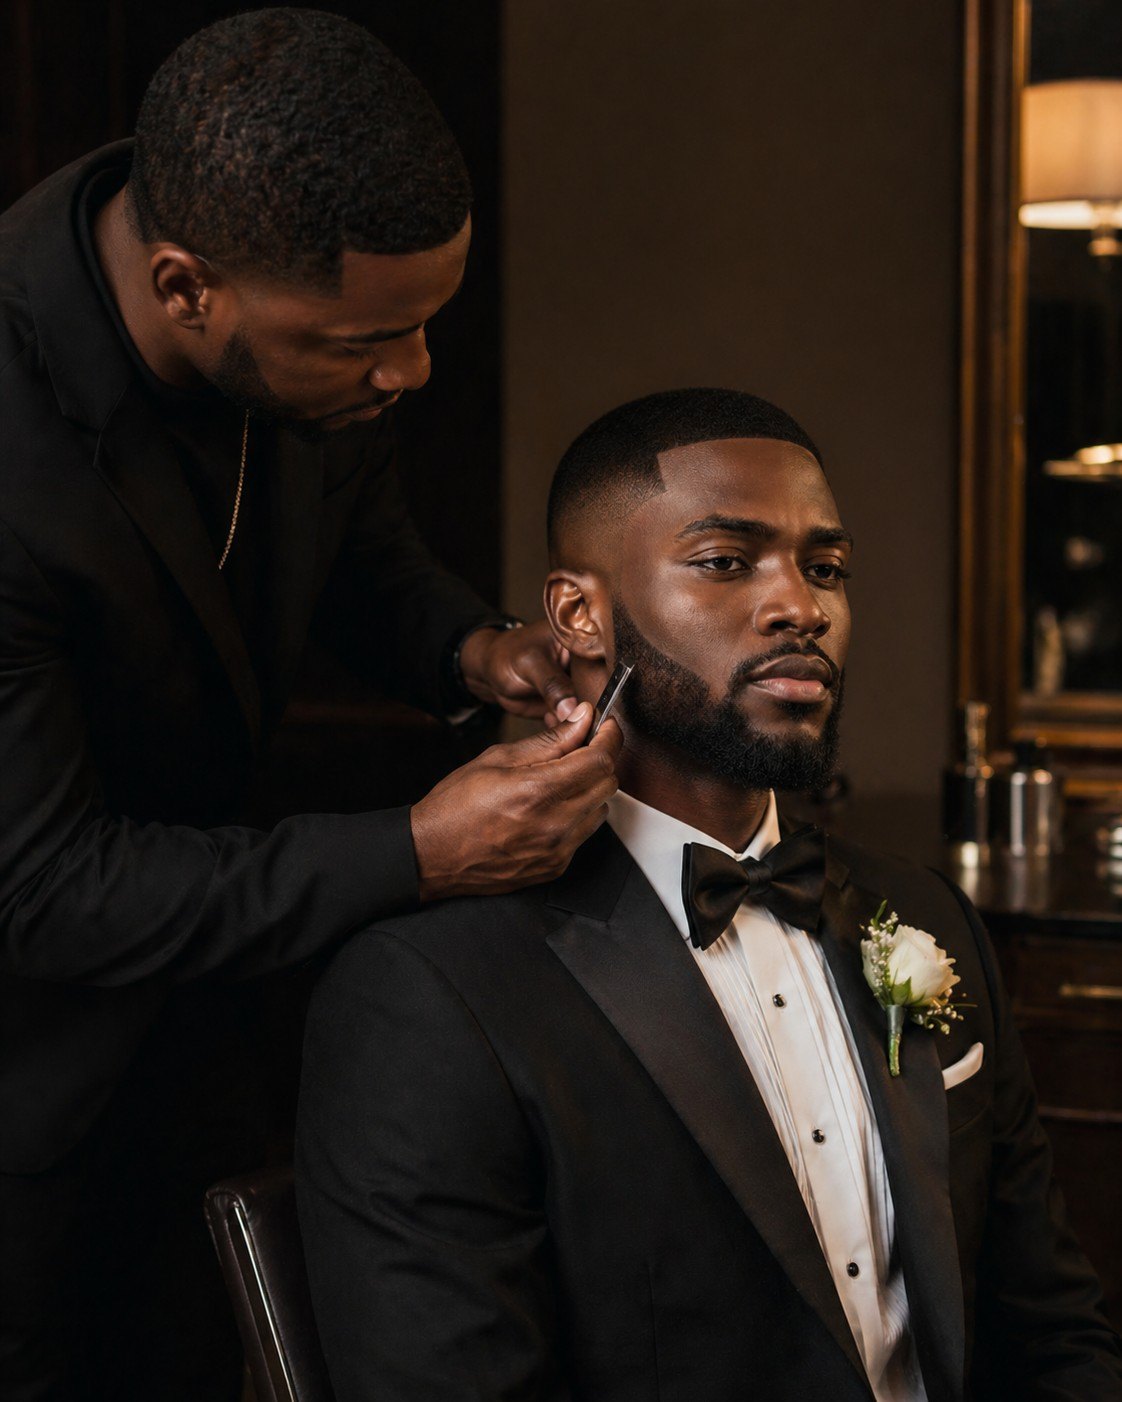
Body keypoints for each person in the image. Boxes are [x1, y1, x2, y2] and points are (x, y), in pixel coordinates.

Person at [0, 11, 621, 1400]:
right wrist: (419, 849)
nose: (410, 373)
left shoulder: (294, 318)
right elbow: (40, 886)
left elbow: (357, 556)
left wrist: (477, 649)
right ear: (184, 286)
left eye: (423, 323)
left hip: (207, 1034)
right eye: (372, 339)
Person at [297, 388, 1122, 1402]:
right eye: (726, 561)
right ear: (579, 615)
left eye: (825, 569)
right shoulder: (429, 994)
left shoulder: (924, 919)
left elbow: (1049, 1327)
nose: (802, 607)